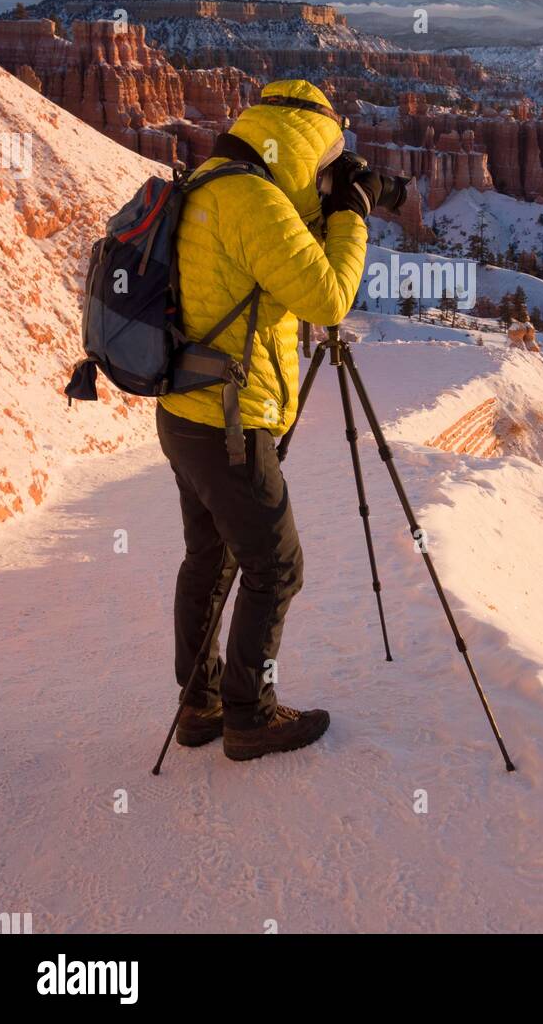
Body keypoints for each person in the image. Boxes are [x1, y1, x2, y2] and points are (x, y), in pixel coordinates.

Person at [156, 79, 379, 761]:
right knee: (275, 565)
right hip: (230, 423)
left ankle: (200, 705)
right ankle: (248, 715)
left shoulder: (216, 179)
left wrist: (325, 208)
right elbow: (327, 298)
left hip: (186, 411)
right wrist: (352, 216)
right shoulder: (252, 199)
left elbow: (270, 263)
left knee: (211, 557)